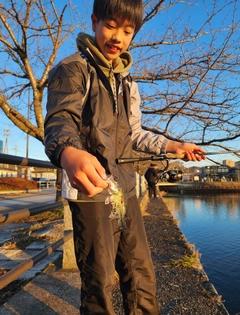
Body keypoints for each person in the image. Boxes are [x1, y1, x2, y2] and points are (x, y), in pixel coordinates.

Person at [44, 0, 206, 313]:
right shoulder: (73, 68)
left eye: (127, 30)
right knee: (100, 281)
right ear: (94, 22)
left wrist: (173, 145)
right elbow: (60, 119)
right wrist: (68, 151)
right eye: (110, 25)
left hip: (127, 190)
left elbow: (134, 135)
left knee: (142, 272)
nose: (118, 36)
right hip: (92, 194)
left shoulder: (128, 84)